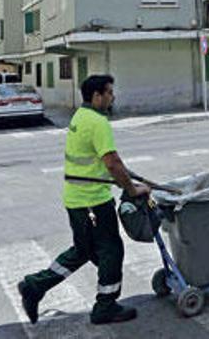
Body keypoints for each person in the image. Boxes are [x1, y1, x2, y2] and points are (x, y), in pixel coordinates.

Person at [18, 75, 150, 326]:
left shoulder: (80, 116)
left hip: (76, 200)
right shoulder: (98, 122)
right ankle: (105, 307)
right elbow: (112, 162)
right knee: (111, 251)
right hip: (93, 203)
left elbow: (102, 162)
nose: (113, 97)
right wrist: (132, 190)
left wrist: (130, 179)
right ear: (97, 96)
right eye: (109, 92)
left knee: (83, 250)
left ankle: (34, 286)